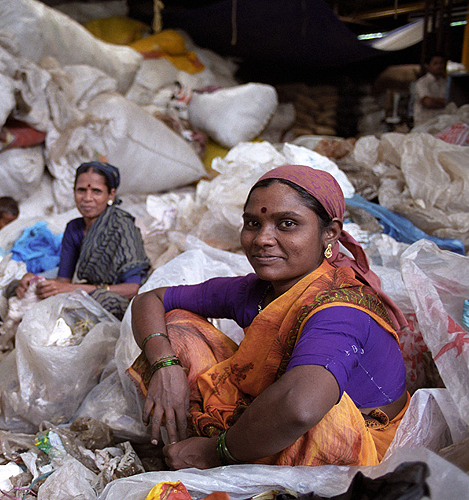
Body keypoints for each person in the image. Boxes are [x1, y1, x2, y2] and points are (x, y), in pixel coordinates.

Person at [128, 164, 409, 469]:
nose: (263, 238)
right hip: (285, 412)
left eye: (287, 224)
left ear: (330, 234)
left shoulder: (340, 307)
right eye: (253, 223)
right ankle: (214, 444)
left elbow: (300, 409)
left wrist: (215, 452)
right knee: (178, 328)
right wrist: (165, 366)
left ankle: (213, 451)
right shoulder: (258, 290)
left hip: (349, 445)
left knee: (314, 413)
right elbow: (150, 299)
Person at [15, 161, 150, 319]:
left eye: (96, 191)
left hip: (126, 300)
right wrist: (37, 281)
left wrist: (76, 289)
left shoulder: (123, 227)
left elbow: (133, 288)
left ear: (111, 195)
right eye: (81, 190)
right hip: (90, 292)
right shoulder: (74, 229)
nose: (87, 198)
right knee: (18, 289)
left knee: (100, 300)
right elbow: (63, 282)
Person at [413, 53, 448, 127]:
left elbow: (452, 101)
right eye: (435, 63)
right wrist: (445, 102)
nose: (439, 66)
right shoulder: (422, 82)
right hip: (424, 124)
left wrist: (437, 101)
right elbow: (428, 102)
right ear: (427, 66)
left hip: (440, 124)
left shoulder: (445, 82)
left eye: (441, 63)